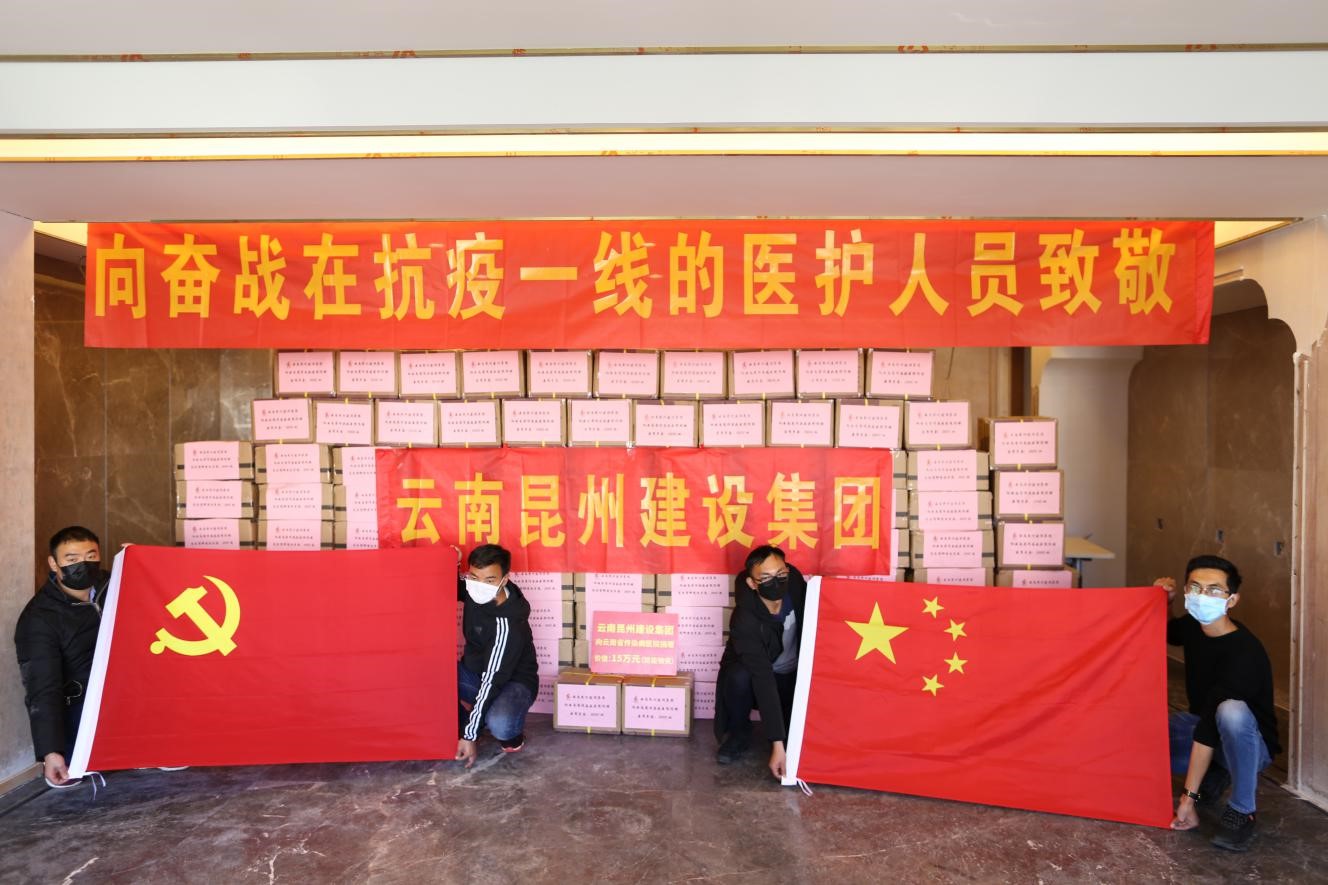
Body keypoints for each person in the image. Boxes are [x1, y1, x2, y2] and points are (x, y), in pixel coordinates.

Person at [1156, 555, 1280, 852]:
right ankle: (1215, 771)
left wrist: (1188, 800)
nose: (1202, 596)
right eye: (1195, 587)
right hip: (1202, 725)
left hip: (1250, 744)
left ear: (1232, 599)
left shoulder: (1244, 652)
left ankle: (1242, 810)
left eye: (1214, 590)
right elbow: (1171, 632)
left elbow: (1210, 730)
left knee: (1231, 712)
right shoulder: (1194, 626)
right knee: (1143, 736)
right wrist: (1165, 601)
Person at [14, 526, 110, 789]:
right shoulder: (39, 618)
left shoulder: (114, 584)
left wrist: (139, 560)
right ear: (53, 563)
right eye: (72, 559)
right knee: (78, 764)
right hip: (82, 707)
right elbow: (42, 688)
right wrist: (51, 751)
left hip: (128, 694)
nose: (83, 564)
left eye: (91, 556)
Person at [714, 544, 808, 778]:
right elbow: (762, 677)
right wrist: (777, 744)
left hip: (792, 678)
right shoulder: (744, 619)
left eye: (780, 574)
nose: (775, 582)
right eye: (765, 578)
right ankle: (739, 733)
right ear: (752, 583)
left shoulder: (795, 584)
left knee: (797, 739)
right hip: (759, 679)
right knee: (739, 676)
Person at [455, 544, 538, 769]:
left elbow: (492, 680)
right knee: (429, 675)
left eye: (489, 580)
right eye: (474, 577)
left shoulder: (507, 624)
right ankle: (468, 723)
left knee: (500, 722)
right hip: (475, 672)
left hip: (512, 683)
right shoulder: (474, 590)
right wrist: (453, 561)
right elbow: (455, 587)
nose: (480, 585)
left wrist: (469, 737)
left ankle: (505, 734)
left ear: (504, 579)